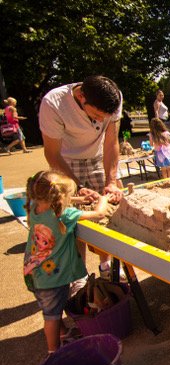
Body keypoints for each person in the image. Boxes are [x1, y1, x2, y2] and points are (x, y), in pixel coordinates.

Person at [39, 75, 124, 281]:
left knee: (106, 214)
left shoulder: (114, 99)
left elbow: (111, 141)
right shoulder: (54, 103)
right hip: (67, 160)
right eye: (96, 114)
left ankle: (106, 264)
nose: (101, 120)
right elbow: (52, 153)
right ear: (81, 96)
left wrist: (111, 181)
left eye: (106, 116)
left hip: (97, 157)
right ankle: (79, 275)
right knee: (74, 223)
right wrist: (75, 186)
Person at [23, 170, 109, 354]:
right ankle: (54, 352)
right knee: (51, 317)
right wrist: (102, 199)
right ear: (59, 198)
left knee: (51, 308)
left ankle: (62, 333)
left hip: (34, 272)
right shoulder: (64, 215)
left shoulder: (34, 206)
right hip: (52, 279)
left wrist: (79, 200)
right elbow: (99, 214)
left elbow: (52, 200)